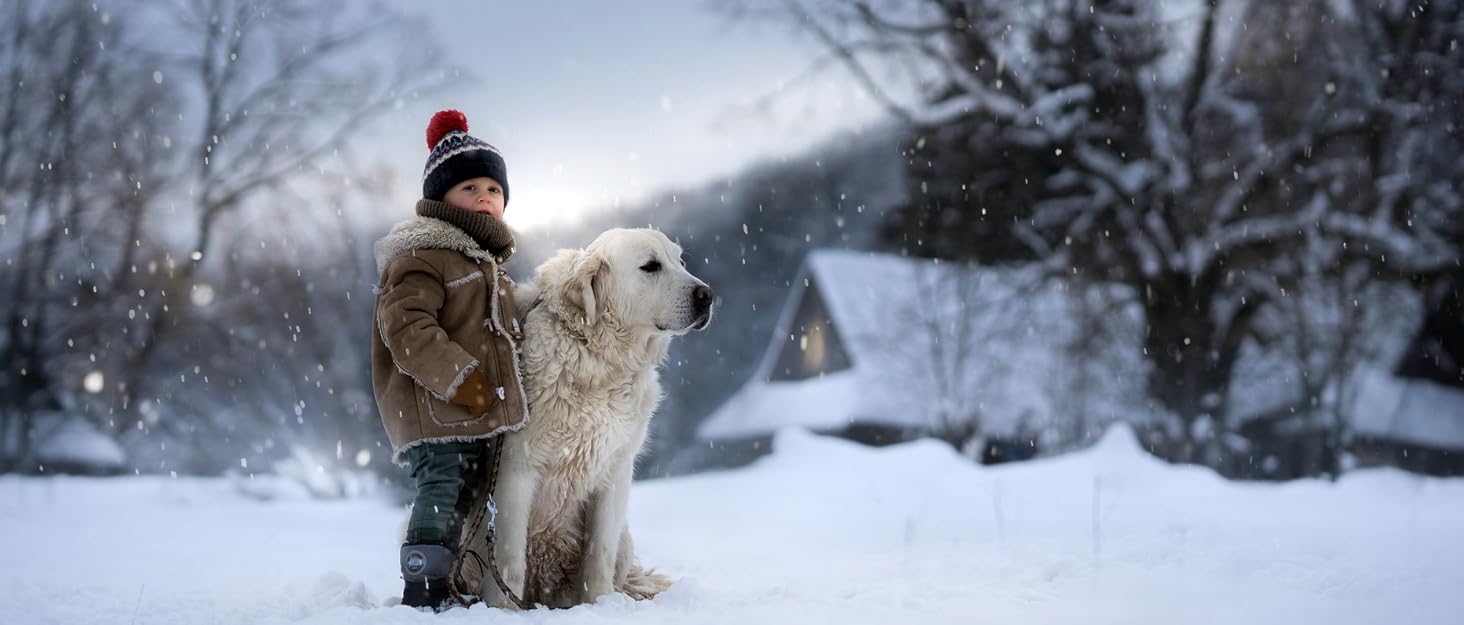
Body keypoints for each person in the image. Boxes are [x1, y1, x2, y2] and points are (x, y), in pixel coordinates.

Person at [370, 109, 530, 611]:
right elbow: (406, 327)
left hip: (474, 409)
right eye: (470, 188)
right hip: (435, 405)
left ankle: (456, 576)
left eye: (494, 190)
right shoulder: (422, 257)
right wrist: (460, 377)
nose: (485, 197)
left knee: (471, 497)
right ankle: (423, 588)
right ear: (440, 199)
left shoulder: (489, 268)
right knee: (442, 488)